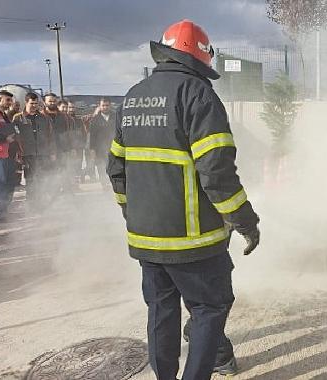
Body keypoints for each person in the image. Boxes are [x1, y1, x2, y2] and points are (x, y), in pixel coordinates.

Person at [107, 19, 260, 380]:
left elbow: (116, 168)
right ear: (201, 58)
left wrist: (136, 214)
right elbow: (217, 174)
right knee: (209, 308)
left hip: (145, 238)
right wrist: (246, 222)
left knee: (161, 312)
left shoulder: (132, 96)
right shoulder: (198, 94)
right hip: (194, 241)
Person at [13, 92, 54, 210]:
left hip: (42, 153)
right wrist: (18, 153)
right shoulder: (18, 118)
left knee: (41, 178)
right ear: (26, 102)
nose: (34, 106)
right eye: (32, 103)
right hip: (27, 154)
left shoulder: (44, 118)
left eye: (36, 103)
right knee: (30, 180)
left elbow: (50, 136)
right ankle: (31, 204)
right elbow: (16, 137)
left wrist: (52, 151)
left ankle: (41, 204)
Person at [0, 91, 17, 222]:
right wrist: (4, 138)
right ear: (0, 99)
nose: (10, 103)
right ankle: (0, 215)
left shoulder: (3, 115)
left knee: (7, 184)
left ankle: (2, 212)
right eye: (8, 100)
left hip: (5, 154)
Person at [88, 98, 116, 188]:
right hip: (100, 149)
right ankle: (104, 186)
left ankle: (114, 186)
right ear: (99, 106)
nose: (105, 107)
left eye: (107, 105)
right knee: (101, 167)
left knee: (114, 167)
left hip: (114, 148)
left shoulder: (116, 117)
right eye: (103, 105)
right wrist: (92, 150)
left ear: (110, 106)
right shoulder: (95, 120)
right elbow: (92, 136)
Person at [66, 102, 86, 184]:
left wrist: (82, 144)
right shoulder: (63, 120)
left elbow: (83, 133)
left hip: (78, 147)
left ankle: (76, 184)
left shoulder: (79, 121)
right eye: (69, 107)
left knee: (78, 165)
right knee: (68, 166)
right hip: (67, 148)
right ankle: (69, 183)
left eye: (73, 107)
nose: (71, 109)